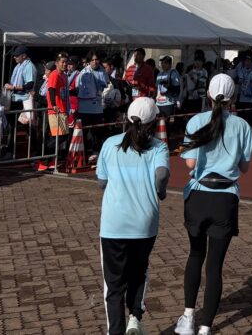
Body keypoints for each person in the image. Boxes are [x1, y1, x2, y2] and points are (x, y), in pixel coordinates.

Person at [175, 75, 252, 335]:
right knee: (215, 266)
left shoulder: (195, 121)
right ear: (233, 97)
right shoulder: (242, 125)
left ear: (208, 94)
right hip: (225, 197)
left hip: (198, 194)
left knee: (195, 254)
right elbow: (244, 167)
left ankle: (188, 316)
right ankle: (206, 327)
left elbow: (189, 163)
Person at [97, 96, 169, 335]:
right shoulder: (159, 147)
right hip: (144, 222)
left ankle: (115, 330)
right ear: (153, 122)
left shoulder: (110, 144)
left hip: (114, 223)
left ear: (126, 118)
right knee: (139, 271)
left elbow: (101, 181)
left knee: (113, 282)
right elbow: (161, 175)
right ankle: (135, 317)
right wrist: (160, 192)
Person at [233, 52, 252, 128]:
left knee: (251, 115)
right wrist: (239, 80)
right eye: (246, 61)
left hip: (251, 98)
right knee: (242, 115)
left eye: (249, 61)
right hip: (242, 97)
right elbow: (237, 80)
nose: (247, 63)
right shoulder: (242, 71)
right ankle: (242, 128)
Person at [181, 51, 210, 116]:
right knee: (191, 114)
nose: (197, 62)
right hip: (190, 97)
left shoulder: (205, 72)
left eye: (200, 61)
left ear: (203, 62)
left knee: (199, 114)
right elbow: (185, 83)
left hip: (201, 97)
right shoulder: (190, 71)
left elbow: (203, 83)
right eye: (196, 60)